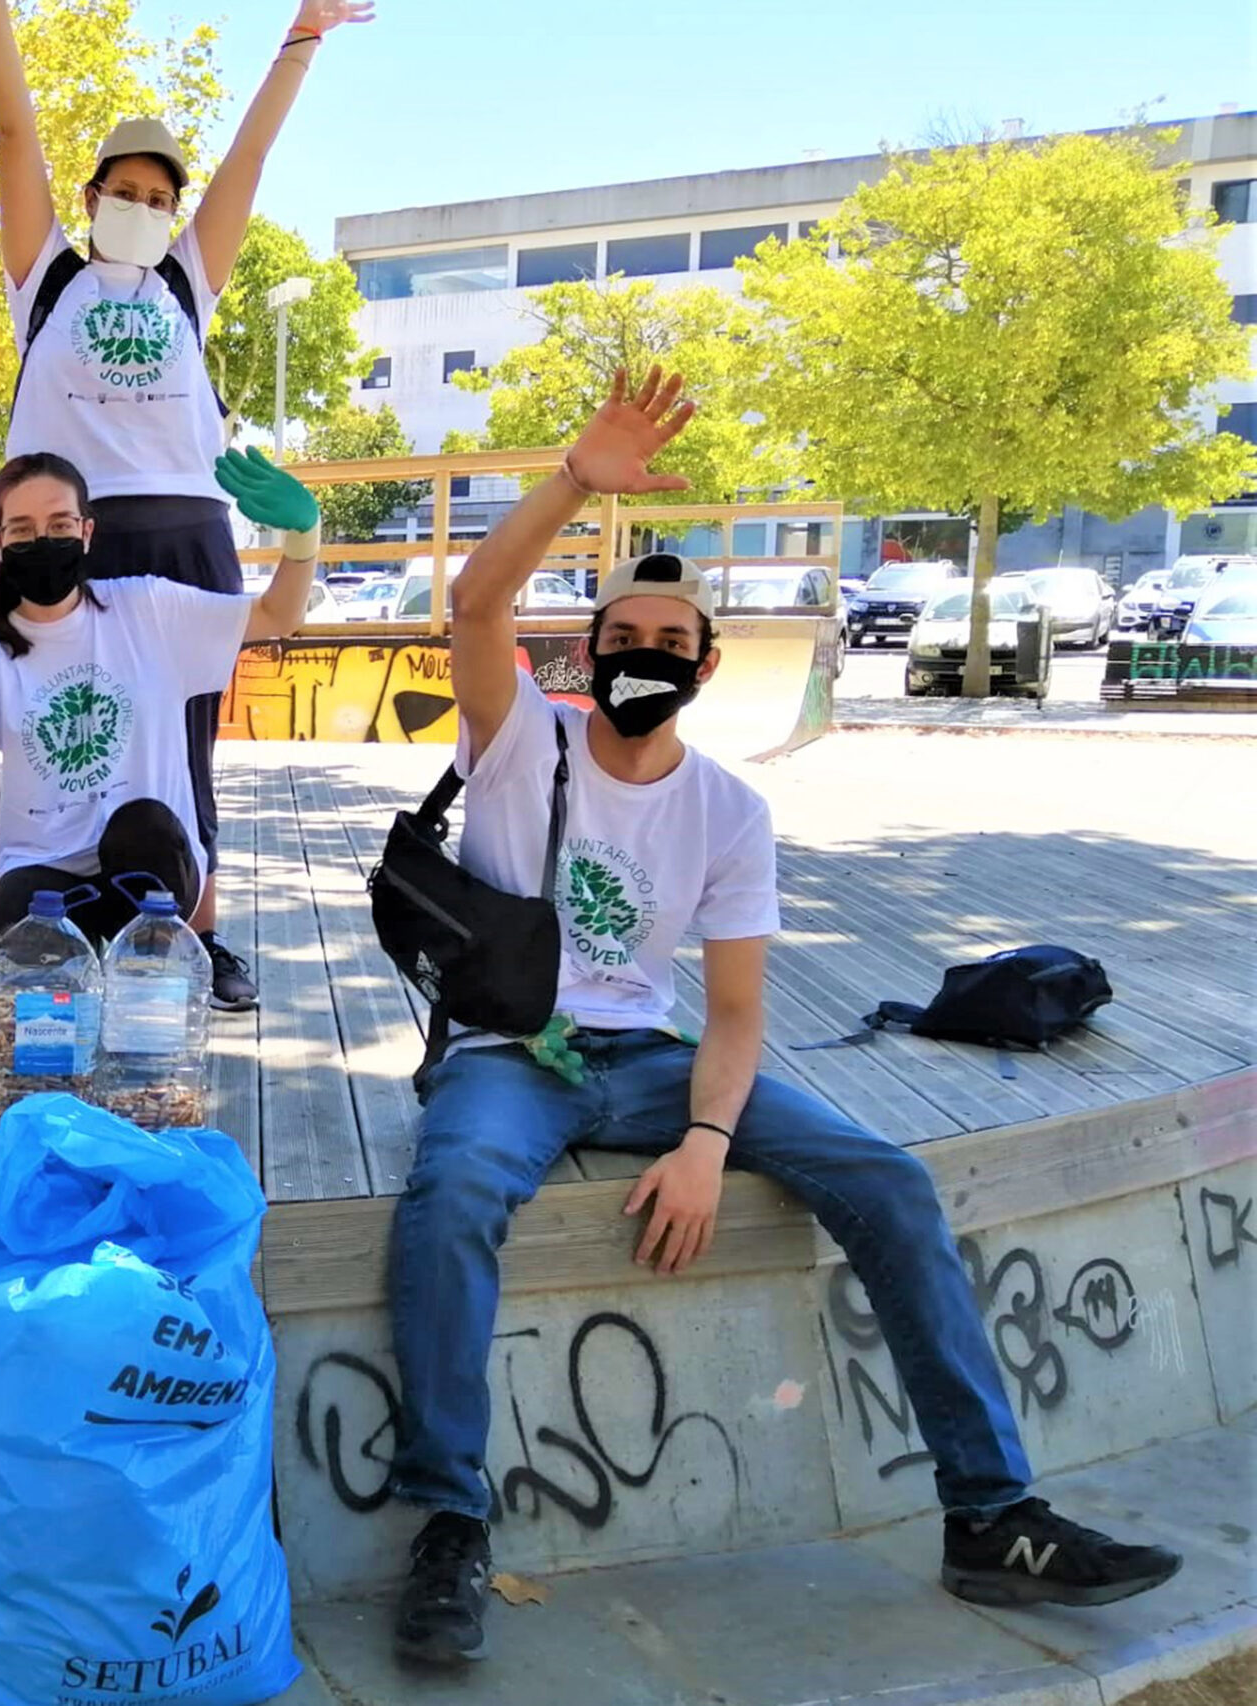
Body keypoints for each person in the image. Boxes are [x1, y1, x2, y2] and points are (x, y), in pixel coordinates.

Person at [385, 368, 1183, 1669]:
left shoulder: (729, 812)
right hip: (515, 1050)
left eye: (668, 641)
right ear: (588, 655)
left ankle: (992, 1514)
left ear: (704, 664)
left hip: (646, 1059)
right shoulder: (524, 740)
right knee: (456, 1186)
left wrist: (706, 1141)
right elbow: (474, 601)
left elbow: (741, 1011)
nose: (642, 655)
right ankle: (450, 1524)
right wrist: (580, 476)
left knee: (887, 1178)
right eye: (620, 638)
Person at [0, 0, 376, 1013]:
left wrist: (300, 39)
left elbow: (248, 164)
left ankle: (196, 931)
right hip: (68, 534)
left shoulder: (185, 280)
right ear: (89, 199)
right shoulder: (44, 280)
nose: (140, 204)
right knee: (41, 732)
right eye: (121, 190)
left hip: (184, 530)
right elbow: (12, 128)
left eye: (156, 194)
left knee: (185, 742)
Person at [0, 447, 321, 961]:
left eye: (60, 524)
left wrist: (302, 539)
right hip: (47, 875)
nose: (43, 540)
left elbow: (276, 615)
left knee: (143, 826)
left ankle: (146, 970)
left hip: (149, 863)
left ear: (88, 532)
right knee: (3, 956)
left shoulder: (147, 608)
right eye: (22, 529)